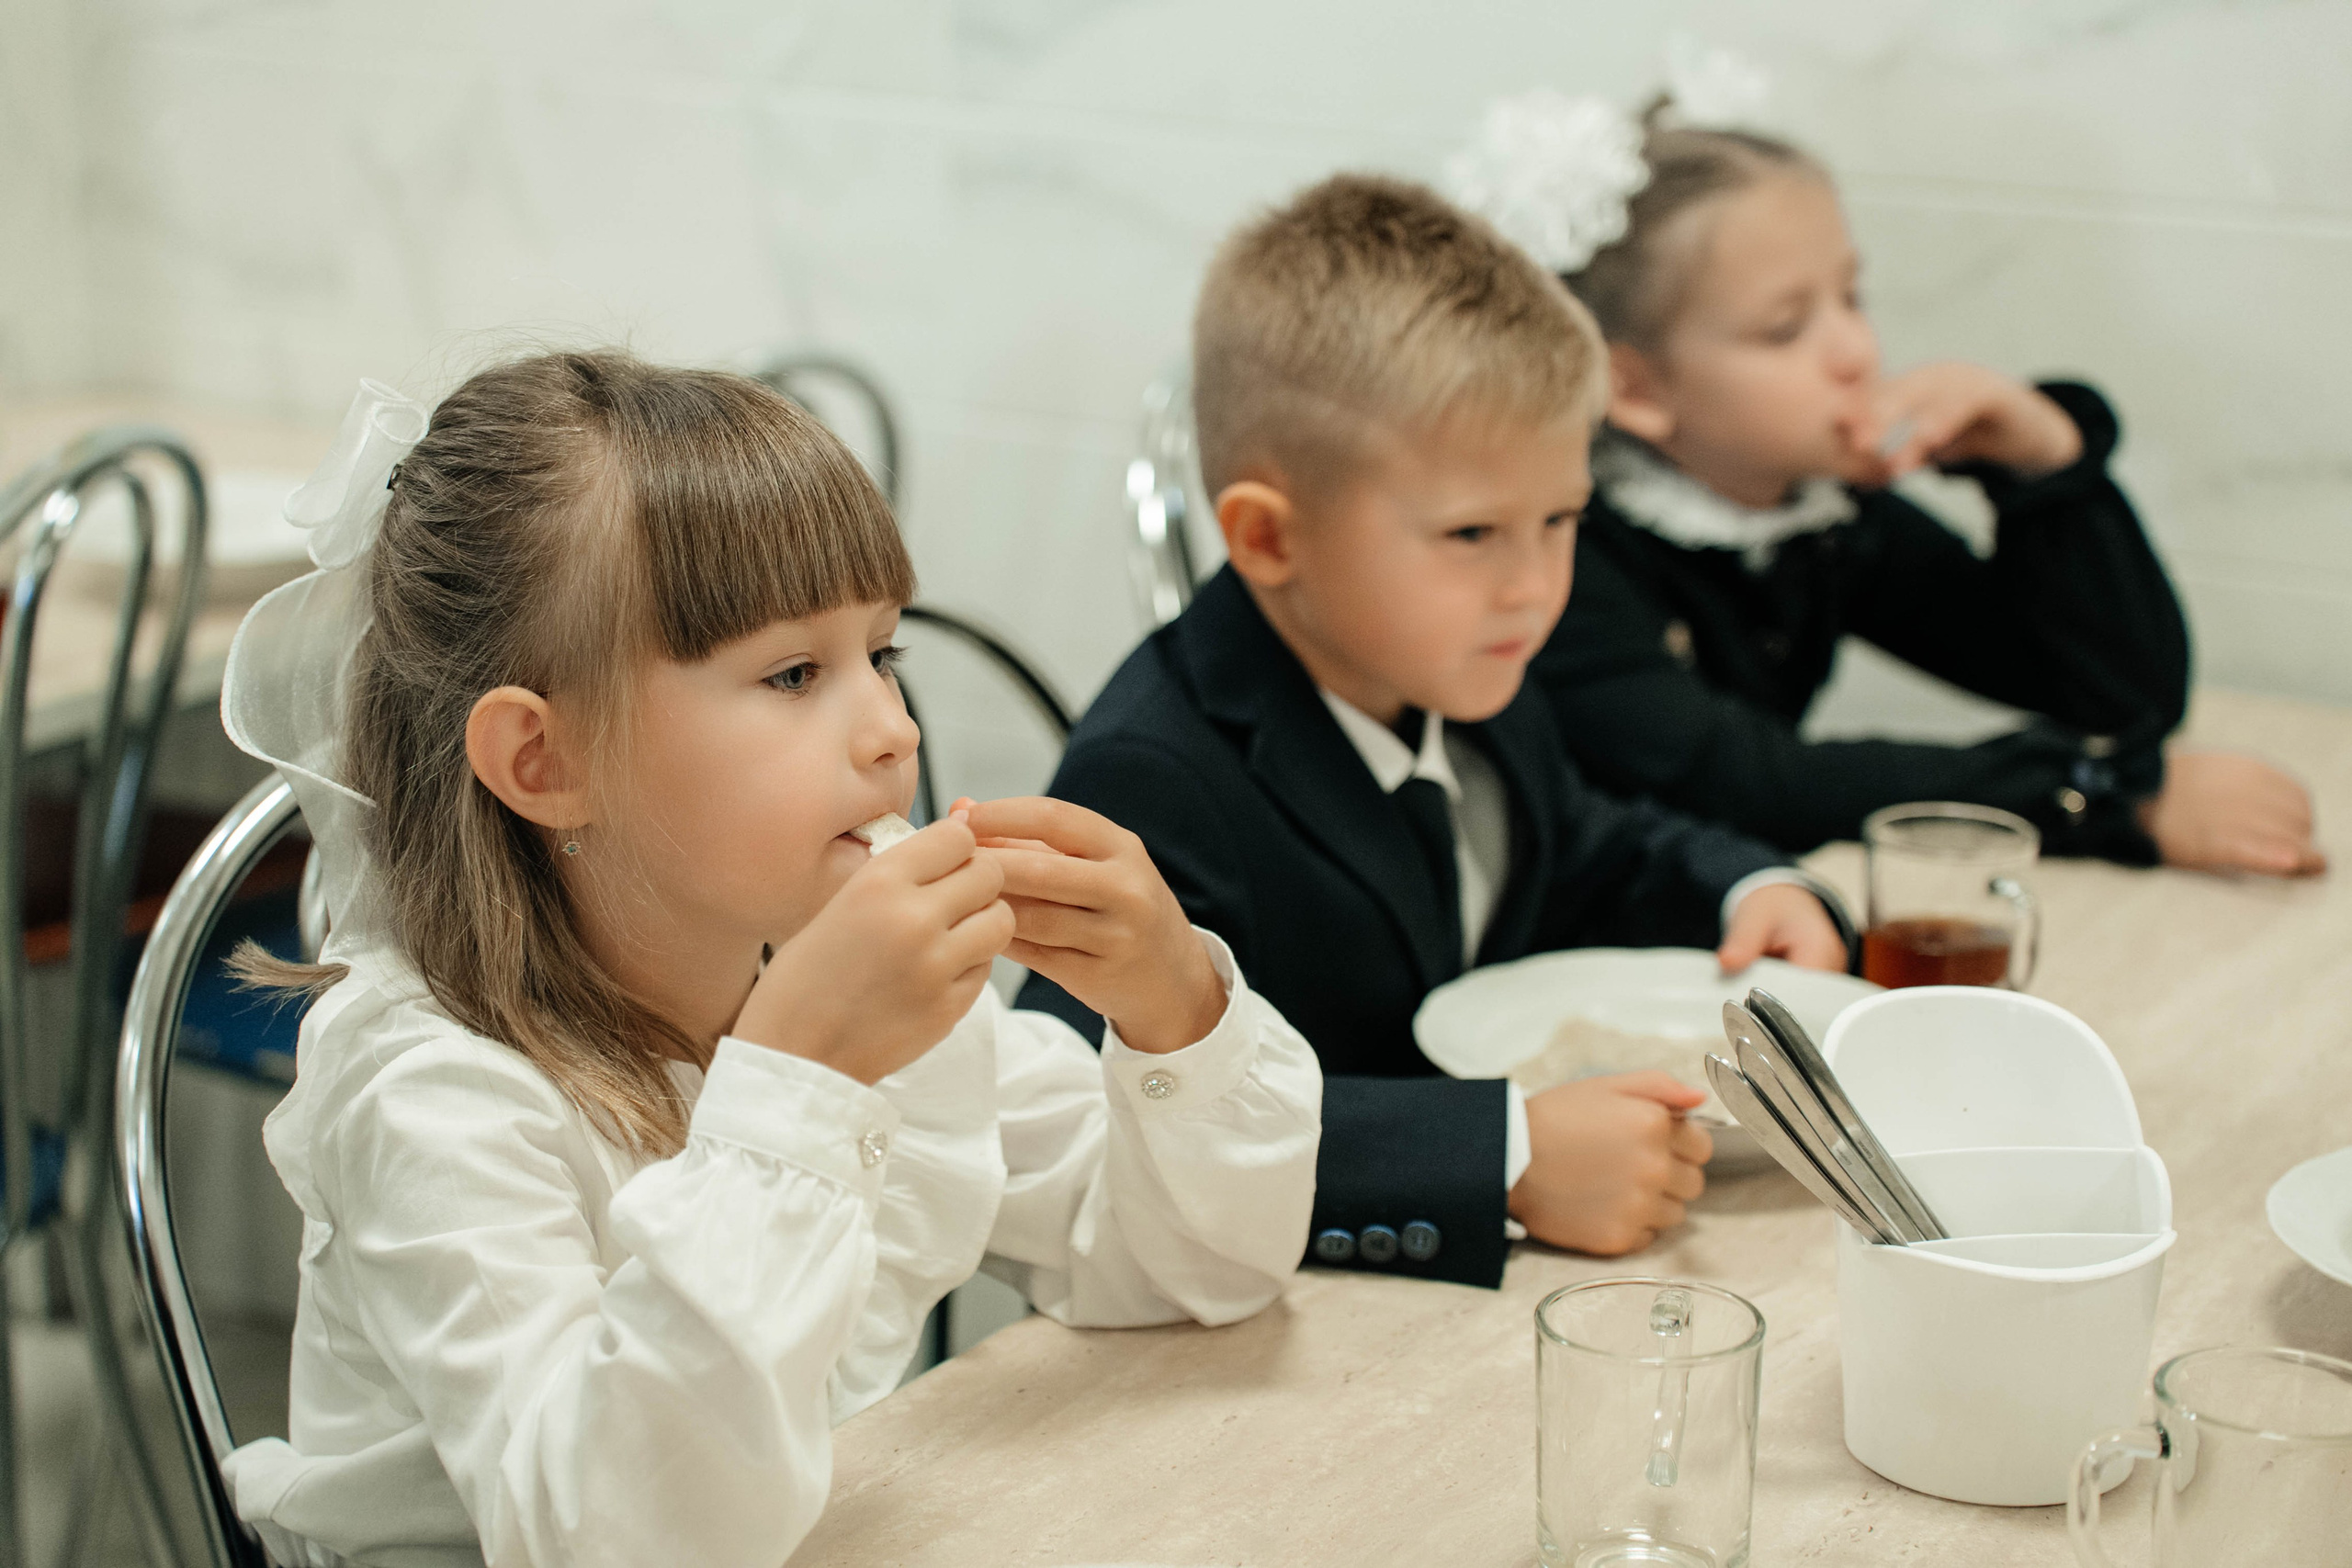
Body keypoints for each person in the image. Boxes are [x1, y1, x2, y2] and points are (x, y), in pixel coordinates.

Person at [213, 355, 1321, 1567]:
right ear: (542, 759)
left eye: (883, 653)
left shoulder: (808, 944)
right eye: (794, 673)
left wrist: (1177, 1011)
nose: (894, 730)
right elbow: (618, 1535)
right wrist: (801, 1077)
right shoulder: (434, 1093)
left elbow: (1194, 1272)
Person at [1017, 175, 1849, 1292]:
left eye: (1560, 521)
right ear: (1269, 539)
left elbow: (1575, 845)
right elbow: (1081, 1118)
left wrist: (1748, 890)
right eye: (1472, 533)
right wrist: (1497, 1158)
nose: (1533, 586)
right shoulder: (1155, 774)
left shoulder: (1453, 664)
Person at [1446, 70, 2324, 877]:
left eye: (1852, 298)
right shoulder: (1566, 551)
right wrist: (2092, 791)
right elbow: (1753, 783)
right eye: (1787, 328)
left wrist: (2041, 462)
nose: (1857, 351)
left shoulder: (1814, 514)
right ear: (1633, 387)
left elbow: (2122, 695)